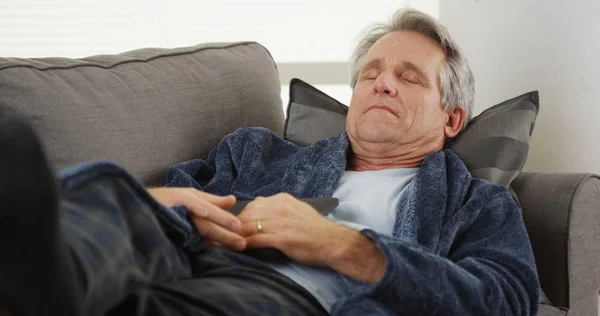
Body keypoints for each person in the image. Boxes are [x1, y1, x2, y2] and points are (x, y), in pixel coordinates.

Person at [0, 8, 540, 316]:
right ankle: (36, 258)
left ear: (451, 120)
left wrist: (345, 246)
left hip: (285, 295)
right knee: (116, 203)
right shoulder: (255, 149)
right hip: (182, 249)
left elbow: (507, 301)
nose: (382, 83)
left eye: (409, 77)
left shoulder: (477, 202)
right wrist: (163, 201)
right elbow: (173, 203)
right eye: (371, 73)